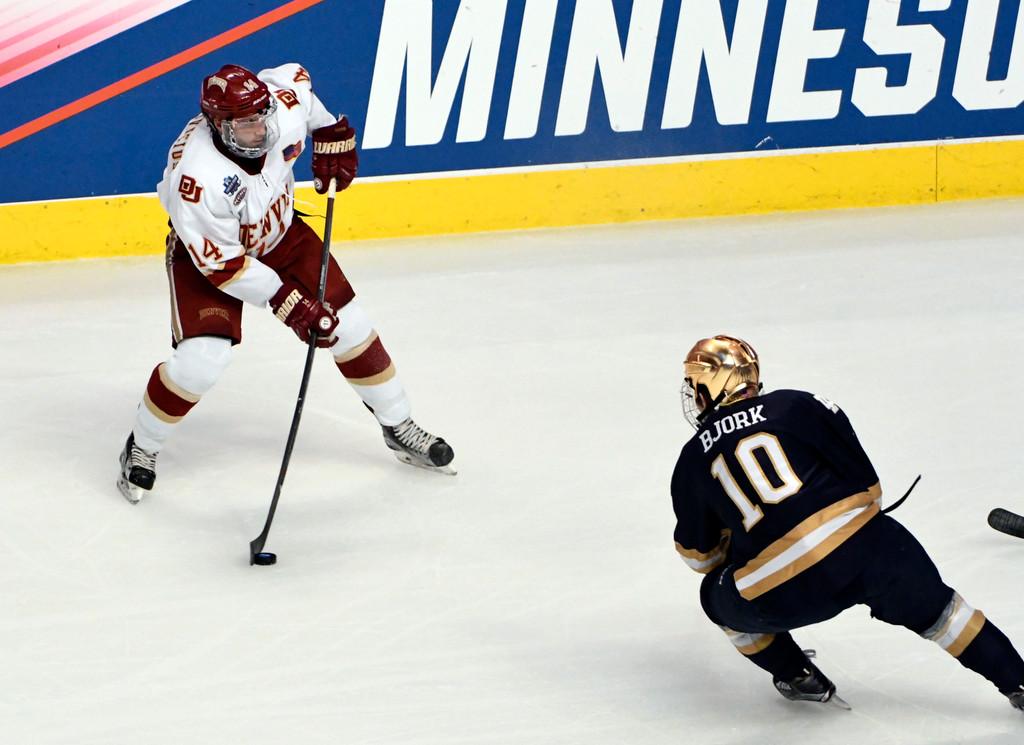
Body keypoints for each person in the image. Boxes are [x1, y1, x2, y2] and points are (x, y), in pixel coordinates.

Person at [117, 63, 454, 504]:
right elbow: (225, 267)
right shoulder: (195, 179)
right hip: (213, 259)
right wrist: (287, 301)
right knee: (202, 361)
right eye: (248, 123)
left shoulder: (279, 108)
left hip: (282, 235)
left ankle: (399, 425)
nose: (263, 128)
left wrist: (333, 132)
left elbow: (300, 83)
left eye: (263, 115)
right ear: (219, 125)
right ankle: (141, 446)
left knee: (349, 327)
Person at [671, 334, 1024, 711]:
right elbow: (870, 488)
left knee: (714, 597)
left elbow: (701, 560)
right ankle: (1016, 680)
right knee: (943, 612)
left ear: (708, 387)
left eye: (695, 387)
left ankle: (798, 675)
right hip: (871, 552)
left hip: (780, 587)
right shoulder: (797, 404)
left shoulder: (692, 459)